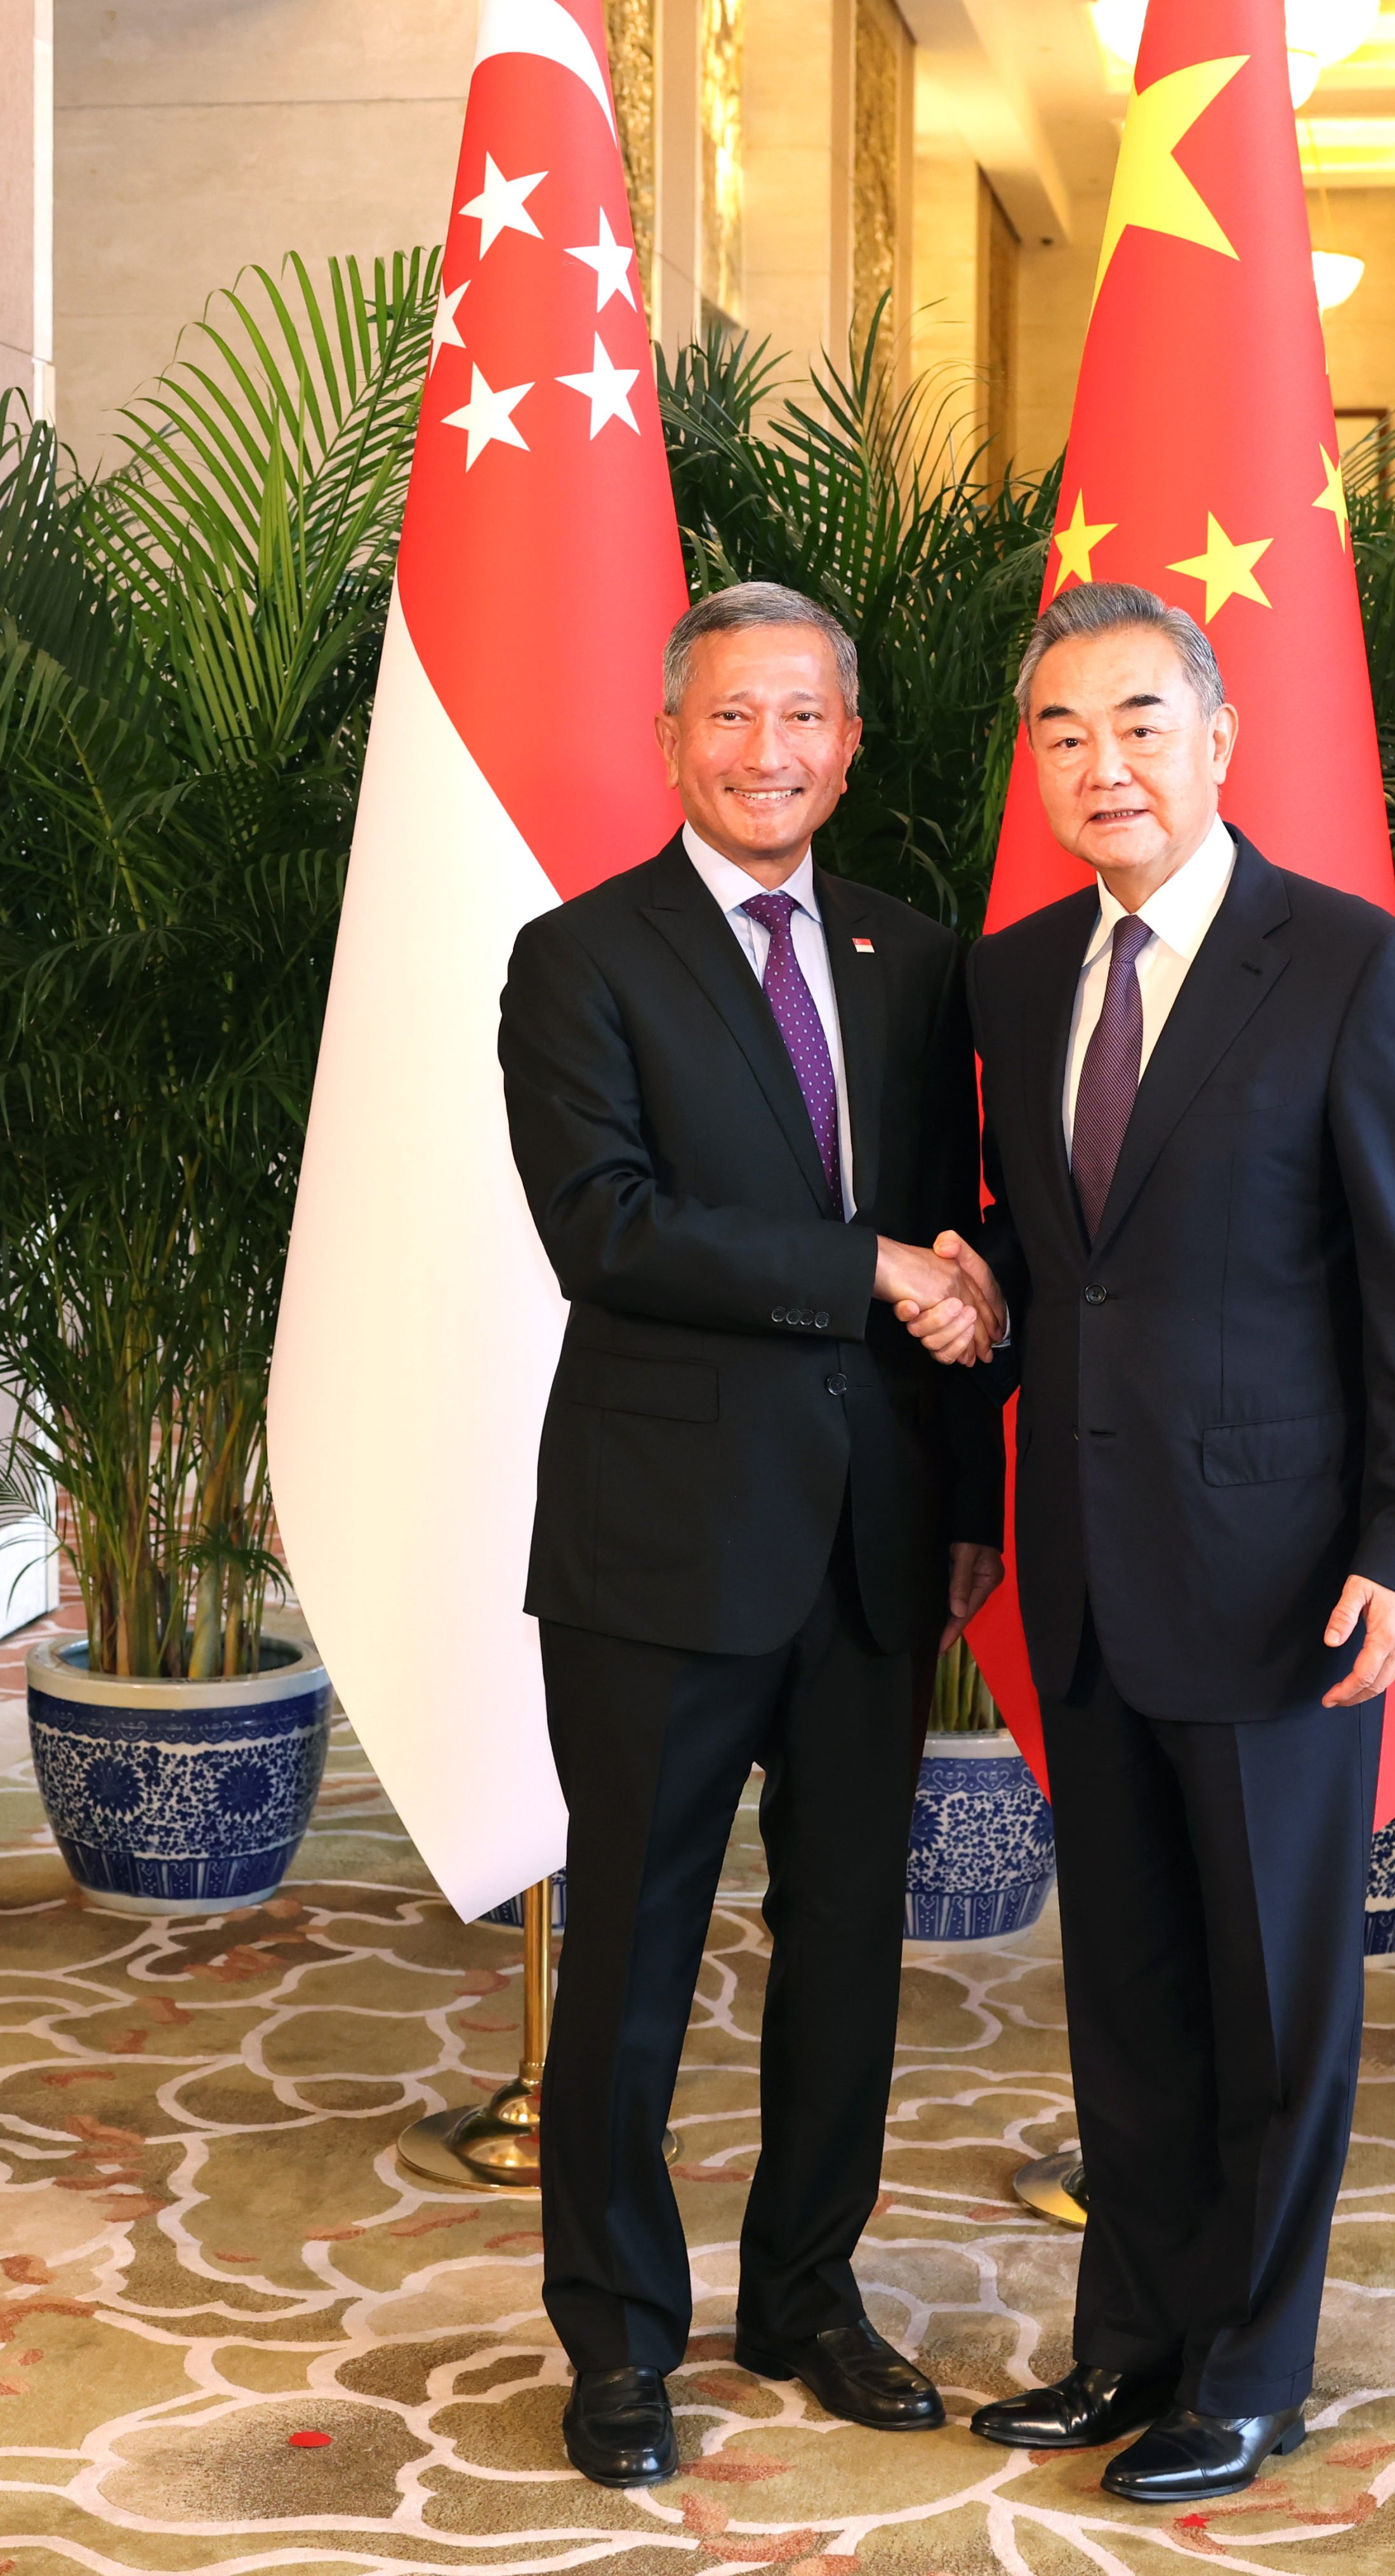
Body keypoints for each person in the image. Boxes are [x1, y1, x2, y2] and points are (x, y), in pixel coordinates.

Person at [909, 580, 1395, 2505]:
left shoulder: (1343, 965)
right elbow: (1047, 1260)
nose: (1104, 765)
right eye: (1062, 733)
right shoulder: (1006, 977)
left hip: (1278, 1576)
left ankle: (1250, 2367)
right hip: (1083, 1566)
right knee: (1132, 1997)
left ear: (1220, 741)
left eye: (1140, 722)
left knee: (1271, 2007)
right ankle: (1129, 2341)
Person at [499, 581, 1006, 2488]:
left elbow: (957, 1229)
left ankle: (805, 2294)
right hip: (661, 1549)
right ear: (673, 735)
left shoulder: (911, 952)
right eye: (730, 718)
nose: (767, 752)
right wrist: (866, 1268)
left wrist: (965, 1489)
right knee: (632, 1954)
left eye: (802, 719)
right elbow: (607, 1231)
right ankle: (619, 2339)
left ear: (849, 741)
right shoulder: (580, 958)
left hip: (878, 1545)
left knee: (848, 1949)